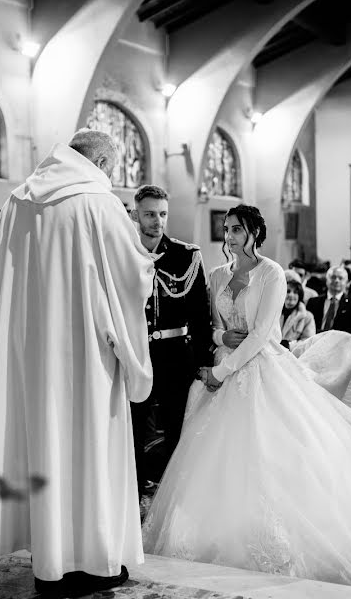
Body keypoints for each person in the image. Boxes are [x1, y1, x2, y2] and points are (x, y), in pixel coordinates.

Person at [142, 205, 351, 593]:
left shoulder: (271, 273)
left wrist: (220, 372)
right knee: (216, 460)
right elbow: (212, 327)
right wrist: (221, 342)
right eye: (226, 229)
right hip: (222, 368)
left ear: (254, 232)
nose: (230, 235)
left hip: (259, 370)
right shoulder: (218, 273)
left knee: (275, 455)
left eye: (237, 229)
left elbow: (261, 334)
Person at [0, 129, 155, 597]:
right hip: (88, 354)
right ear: (97, 159)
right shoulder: (98, 200)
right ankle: (94, 565)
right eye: (111, 168)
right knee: (92, 448)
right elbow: (130, 277)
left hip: (35, 355)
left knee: (47, 447)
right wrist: (148, 268)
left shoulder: (19, 199)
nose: (110, 177)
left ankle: (50, 564)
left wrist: (22, 335)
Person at [129, 184, 212, 496]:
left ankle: (175, 496)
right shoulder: (123, 252)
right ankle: (134, 491)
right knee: (134, 428)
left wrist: (204, 362)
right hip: (136, 353)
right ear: (136, 214)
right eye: (150, 214)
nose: (157, 221)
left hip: (176, 355)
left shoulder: (185, 256)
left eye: (162, 214)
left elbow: (200, 316)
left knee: (177, 428)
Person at [306, 266, 351, 337]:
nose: (336, 280)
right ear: (326, 280)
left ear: (346, 282)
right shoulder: (313, 302)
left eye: (340, 278)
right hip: (315, 342)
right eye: (333, 277)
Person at [280, 277, 316, 348]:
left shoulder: (307, 317)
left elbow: (308, 341)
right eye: (288, 291)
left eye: (295, 292)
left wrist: (289, 345)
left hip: (293, 356)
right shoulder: (275, 313)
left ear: (300, 296)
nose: (291, 295)